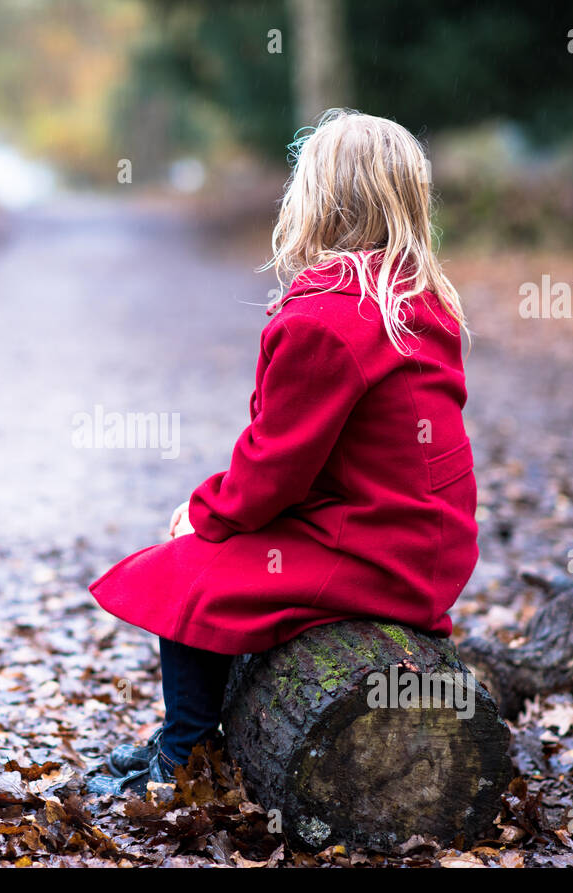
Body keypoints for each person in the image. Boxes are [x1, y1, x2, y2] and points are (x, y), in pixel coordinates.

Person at [86, 109, 479, 797]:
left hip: (383, 546)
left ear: (317, 201)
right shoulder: (415, 299)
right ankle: (183, 738)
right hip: (427, 537)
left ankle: (182, 753)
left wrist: (203, 514)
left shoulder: (331, 319)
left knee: (184, 572)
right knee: (215, 559)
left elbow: (275, 469)